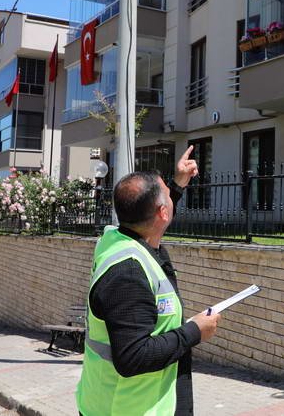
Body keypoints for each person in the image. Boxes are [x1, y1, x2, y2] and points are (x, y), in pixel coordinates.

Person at [76, 146, 220, 416]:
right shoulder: (128, 274)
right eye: (167, 194)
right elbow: (133, 357)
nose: (171, 197)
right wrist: (195, 331)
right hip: (127, 409)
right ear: (162, 213)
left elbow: (151, 214)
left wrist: (177, 184)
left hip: (116, 403)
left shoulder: (115, 239)